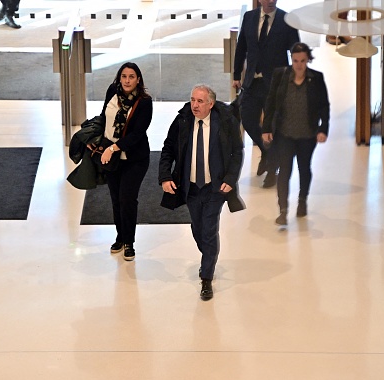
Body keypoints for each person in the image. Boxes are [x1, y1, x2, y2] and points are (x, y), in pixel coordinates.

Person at [159, 84, 244, 301]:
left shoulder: (224, 122)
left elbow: (237, 151)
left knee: (209, 230)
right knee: (198, 229)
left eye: (199, 101)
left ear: (210, 104)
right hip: (191, 188)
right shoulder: (183, 121)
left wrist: (230, 179)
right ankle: (208, 256)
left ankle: (206, 278)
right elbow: (168, 148)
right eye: (192, 100)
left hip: (214, 188)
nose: (194, 105)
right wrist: (165, 177)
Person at [232, 0, 300, 188]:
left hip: (276, 83)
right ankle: (267, 153)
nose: (270, 0)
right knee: (247, 119)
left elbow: (296, 50)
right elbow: (241, 47)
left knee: (274, 126)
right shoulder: (250, 17)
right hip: (253, 81)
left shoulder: (287, 19)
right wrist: (237, 74)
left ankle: (273, 171)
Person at [262, 43, 330, 225]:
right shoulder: (281, 75)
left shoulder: (316, 78)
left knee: (304, 168)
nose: (299, 65)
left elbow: (324, 105)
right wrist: (266, 128)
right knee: (284, 170)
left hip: (307, 135)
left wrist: (324, 128)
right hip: (284, 134)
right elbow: (271, 101)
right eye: (295, 61)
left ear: (308, 59)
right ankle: (283, 210)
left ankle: (302, 201)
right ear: (291, 59)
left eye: (302, 61)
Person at [97, 62, 153, 259]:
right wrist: (94, 140)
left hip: (134, 158)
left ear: (138, 79)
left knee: (127, 199)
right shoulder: (112, 91)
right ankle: (120, 237)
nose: (127, 80)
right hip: (112, 158)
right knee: (115, 198)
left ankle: (129, 242)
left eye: (131, 77)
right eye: (124, 76)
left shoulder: (145, 102)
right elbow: (104, 117)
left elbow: (137, 134)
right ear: (119, 78)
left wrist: (112, 148)